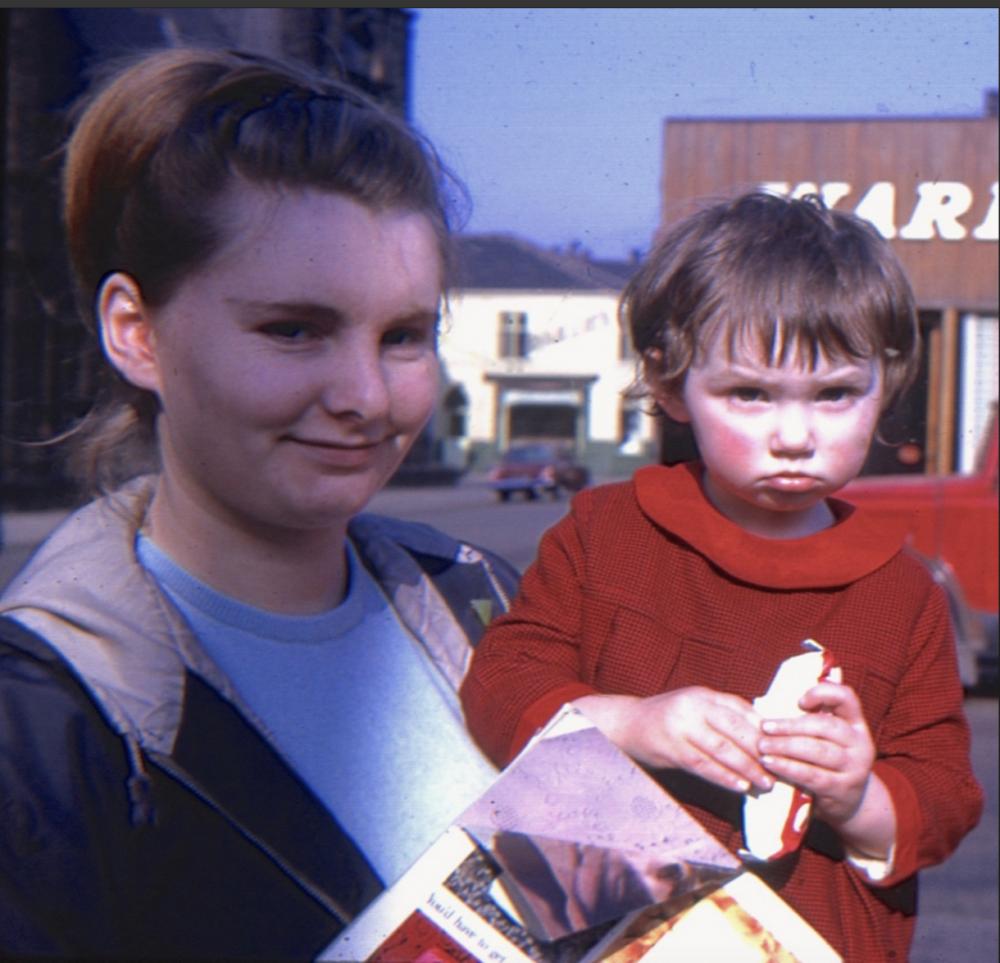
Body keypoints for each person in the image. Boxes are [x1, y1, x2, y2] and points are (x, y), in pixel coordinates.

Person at [0, 47, 520, 958]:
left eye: (403, 335)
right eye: (293, 329)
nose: (364, 393)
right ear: (137, 332)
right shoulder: (42, 721)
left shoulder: (483, 596)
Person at [460, 191, 983, 961]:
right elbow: (500, 682)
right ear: (670, 385)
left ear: (886, 385)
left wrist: (858, 793)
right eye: (750, 394)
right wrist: (633, 724)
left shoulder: (903, 593)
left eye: (836, 393)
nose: (796, 435)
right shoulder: (607, 531)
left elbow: (945, 798)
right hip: (603, 933)